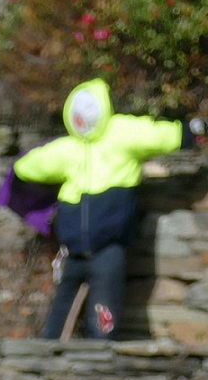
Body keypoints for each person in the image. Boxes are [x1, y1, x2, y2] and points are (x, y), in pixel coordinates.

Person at [14, 79, 197, 339]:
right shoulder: (68, 148)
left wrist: (187, 132)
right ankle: (49, 357)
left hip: (108, 252)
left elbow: (159, 134)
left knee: (103, 317)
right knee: (57, 321)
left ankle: (99, 357)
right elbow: (27, 166)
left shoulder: (122, 134)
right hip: (73, 253)